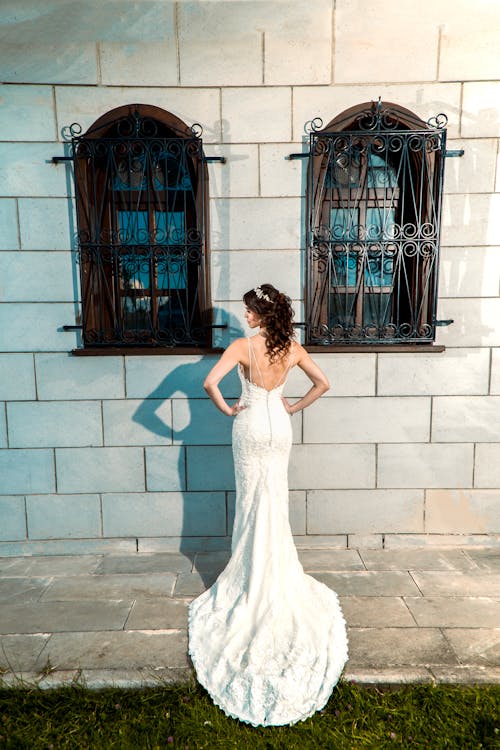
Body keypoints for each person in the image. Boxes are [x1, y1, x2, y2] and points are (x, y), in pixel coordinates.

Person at [188, 283, 348, 726]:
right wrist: (293, 406)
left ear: (260, 313)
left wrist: (226, 409)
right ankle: (275, 571)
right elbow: (325, 383)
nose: (245, 316)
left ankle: (250, 575)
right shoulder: (292, 347)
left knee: (251, 501)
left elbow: (208, 382)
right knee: (274, 500)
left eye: (248, 310)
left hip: (251, 424)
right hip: (279, 422)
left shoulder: (242, 346)